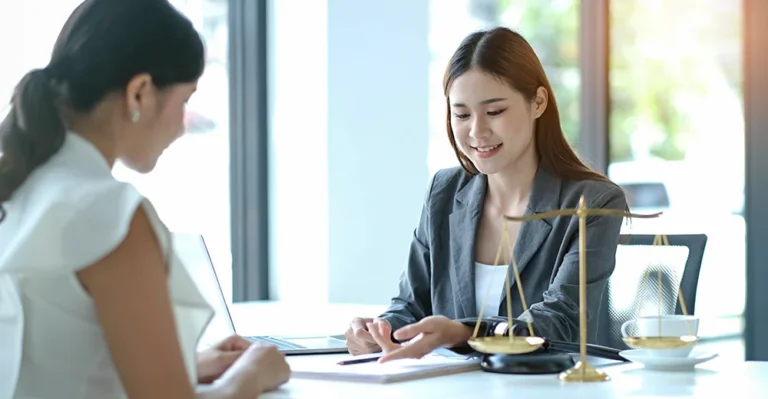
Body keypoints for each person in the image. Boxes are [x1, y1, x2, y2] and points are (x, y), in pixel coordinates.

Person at [0, 1, 289, 398]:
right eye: (184, 100)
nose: (183, 126)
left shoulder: (21, 191)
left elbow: (54, 365)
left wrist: (189, 364)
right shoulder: (109, 216)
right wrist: (253, 373)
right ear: (139, 92)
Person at [344, 27, 628, 362]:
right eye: (462, 114)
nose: (477, 131)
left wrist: (466, 334)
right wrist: (382, 331)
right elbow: (411, 304)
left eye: (494, 112)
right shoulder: (444, 192)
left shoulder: (594, 203)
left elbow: (561, 320)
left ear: (538, 102)